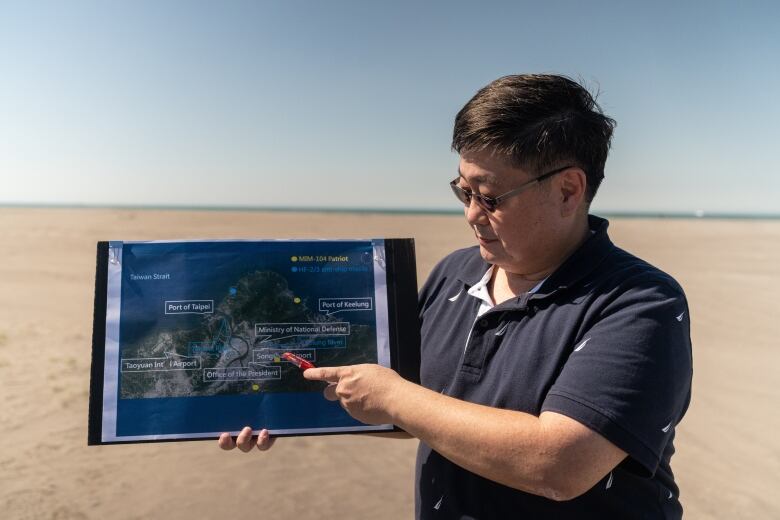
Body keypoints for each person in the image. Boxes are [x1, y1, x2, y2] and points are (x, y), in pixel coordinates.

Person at [219, 74, 693, 519]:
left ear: (569, 191)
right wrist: (275, 406)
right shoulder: (455, 272)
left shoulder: (639, 302)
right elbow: (416, 412)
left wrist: (395, 395)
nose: (470, 214)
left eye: (489, 197)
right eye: (462, 190)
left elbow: (558, 464)